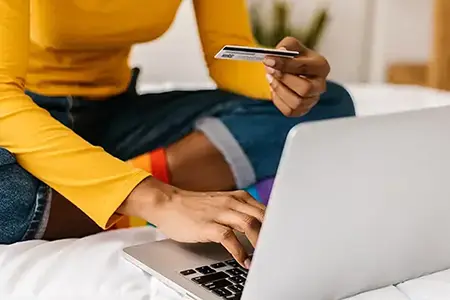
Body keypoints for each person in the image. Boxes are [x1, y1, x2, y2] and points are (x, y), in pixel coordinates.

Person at [0, 0, 355, 268]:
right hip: (22, 115)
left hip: (116, 113)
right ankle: (131, 195)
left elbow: (227, 54)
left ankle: (90, 195)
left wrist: (280, 79)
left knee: (328, 103)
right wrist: (159, 199)